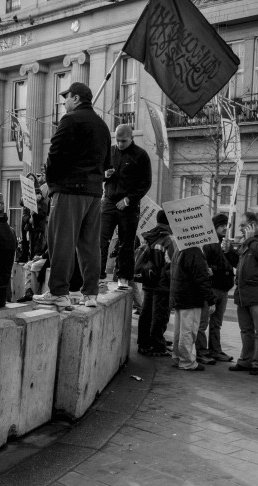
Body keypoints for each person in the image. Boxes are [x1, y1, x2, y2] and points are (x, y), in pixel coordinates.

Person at [33, 82, 110, 309]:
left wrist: (51, 183)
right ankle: (91, 294)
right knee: (89, 245)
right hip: (95, 193)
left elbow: (54, 155)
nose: (64, 101)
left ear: (76, 98)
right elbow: (107, 163)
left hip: (69, 190)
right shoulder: (103, 126)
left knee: (61, 241)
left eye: (66, 97)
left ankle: (58, 291)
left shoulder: (70, 119)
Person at [224, 212, 258, 375]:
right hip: (244, 293)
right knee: (246, 330)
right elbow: (239, 264)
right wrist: (228, 252)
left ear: (253, 225)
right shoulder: (247, 241)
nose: (240, 229)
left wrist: (250, 239)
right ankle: (245, 360)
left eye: (243, 226)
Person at [99, 124, 152, 291]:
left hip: (129, 206)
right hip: (108, 201)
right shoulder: (110, 151)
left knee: (126, 243)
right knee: (101, 239)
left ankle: (123, 277)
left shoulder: (141, 155)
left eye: (124, 141)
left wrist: (128, 200)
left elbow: (146, 183)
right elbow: (97, 171)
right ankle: (98, 274)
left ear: (132, 138)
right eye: (118, 140)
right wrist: (104, 175)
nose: (120, 144)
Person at [196, 213, 236, 363]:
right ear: (215, 226)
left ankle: (215, 350)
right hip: (212, 288)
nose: (225, 228)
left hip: (224, 288)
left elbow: (235, 262)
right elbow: (206, 267)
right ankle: (201, 352)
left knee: (217, 323)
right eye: (222, 225)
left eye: (227, 225)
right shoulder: (208, 243)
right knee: (203, 322)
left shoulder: (226, 243)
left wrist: (229, 251)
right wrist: (217, 270)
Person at [170, 245, 215, 371]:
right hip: (191, 298)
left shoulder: (179, 249)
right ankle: (187, 361)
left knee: (179, 331)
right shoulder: (194, 251)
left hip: (180, 295)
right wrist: (210, 300)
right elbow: (200, 278)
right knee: (188, 331)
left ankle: (178, 357)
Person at [136, 210, 175, 356]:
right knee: (160, 316)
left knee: (146, 314)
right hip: (162, 285)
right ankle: (158, 346)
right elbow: (169, 265)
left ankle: (144, 343)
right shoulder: (168, 239)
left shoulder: (149, 236)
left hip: (148, 282)